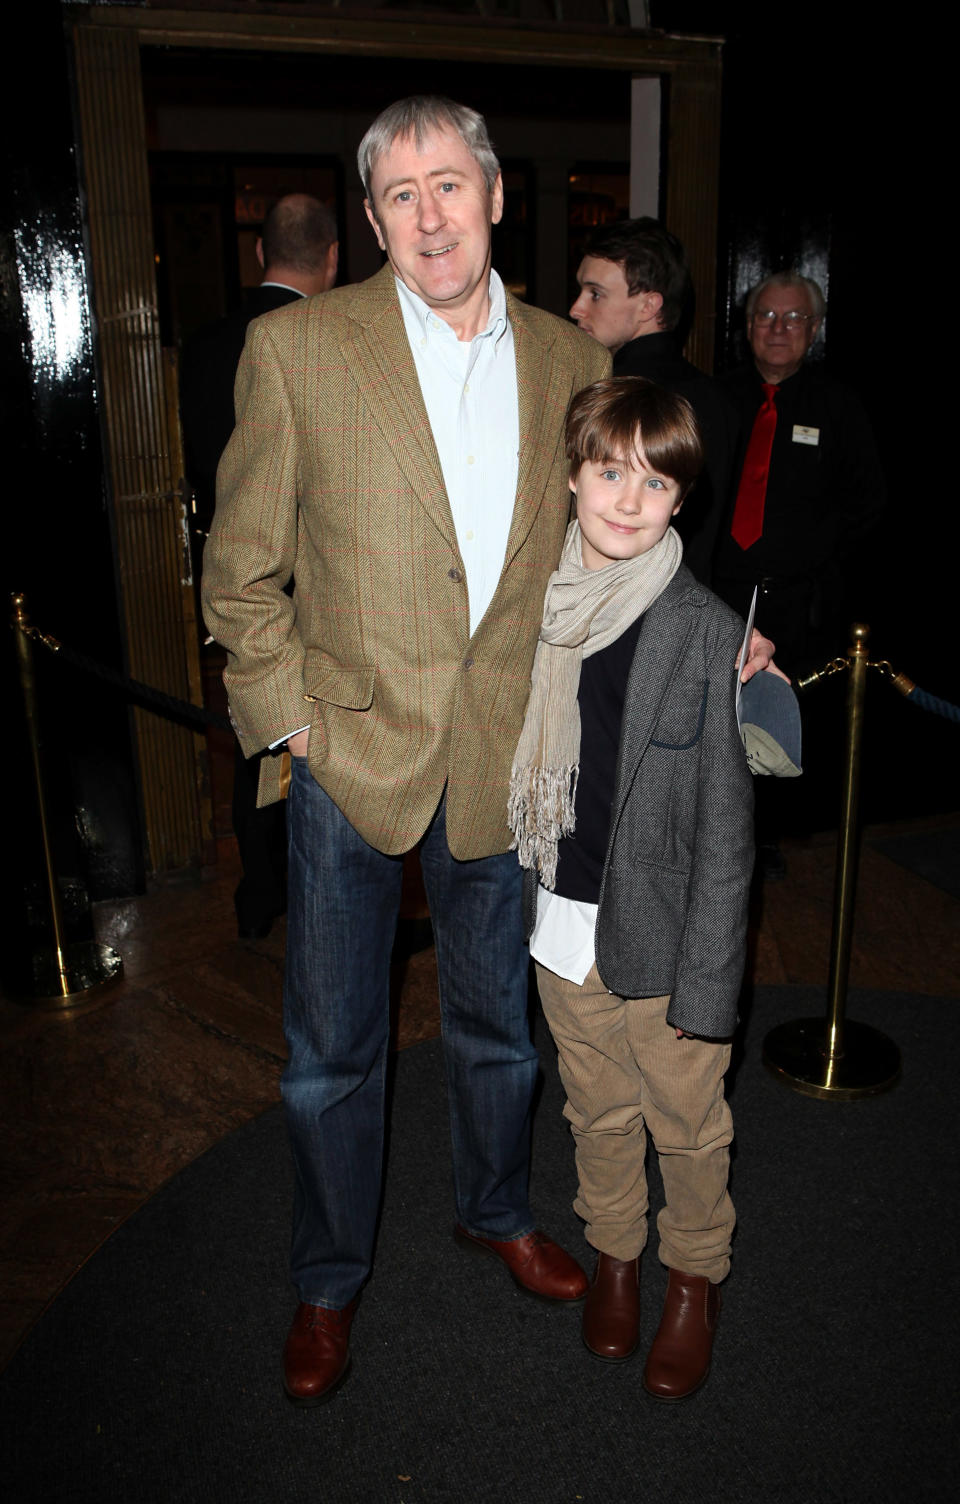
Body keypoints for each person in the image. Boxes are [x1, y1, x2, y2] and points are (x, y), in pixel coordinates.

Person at [202, 96, 612, 1407]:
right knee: (333, 1052)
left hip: (502, 753)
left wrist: (703, 643)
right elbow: (240, 573)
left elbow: (606, 557)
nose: (430, 216)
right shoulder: (303, 350)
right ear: (372, 217)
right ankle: (326, 1283)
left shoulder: (571, 361)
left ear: (494, 196)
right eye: (400, 194)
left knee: (501, 1029)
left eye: (451, 185)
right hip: (349, 759)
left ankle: (496, 1211)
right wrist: (294, 720)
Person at [509, 375, 754, 1401]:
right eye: (609, 472)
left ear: (679, 502)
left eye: (652, 483)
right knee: (596, 1110)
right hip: (561, 918)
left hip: (664, 934)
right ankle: (614, 1252)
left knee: (687, 1123)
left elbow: (729, 834)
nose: (625, 498)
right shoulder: (539, 604)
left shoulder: (704, 631)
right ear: (572, 478)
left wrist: (710, 985)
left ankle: (693, 1276)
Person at [181, 194, 338, 938]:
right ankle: (316, 900)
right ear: (334, 257)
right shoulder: (330, 343)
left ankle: (258, 896)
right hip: (319, 579)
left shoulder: (207, 343)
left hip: (231, 566)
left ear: (258, 252)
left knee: (257, 743)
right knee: (319, 749)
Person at [714, 271, 884, 870]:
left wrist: (815, 556)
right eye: (765, 317)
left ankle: (768, 838)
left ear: (812, 329)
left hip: (801, 601)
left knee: (783, 718)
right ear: (748, 326)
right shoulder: (720, 398)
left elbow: (868, 503)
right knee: (716, 715)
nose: (778, 329)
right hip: (723, 593)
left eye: (792, 319)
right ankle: (716, 829)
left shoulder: (838, 406)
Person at [569, 218, 739, 583]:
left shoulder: (606, 394)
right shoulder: (718, 397)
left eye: (595, 293)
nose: (577, 308)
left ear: (648, 306)